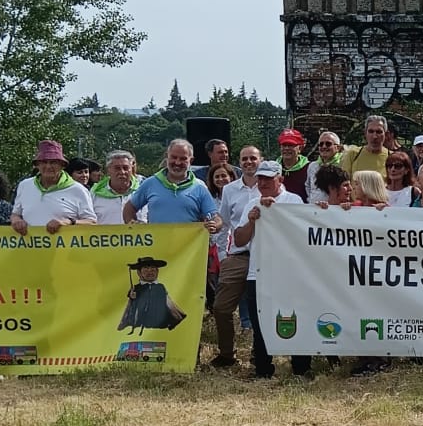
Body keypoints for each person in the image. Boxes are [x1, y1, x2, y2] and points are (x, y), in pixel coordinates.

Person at [232, 161, 309, 381]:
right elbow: (239, 240)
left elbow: (302, 234)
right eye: (260, 178)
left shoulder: (293, 200)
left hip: (289, 273)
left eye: (268, 178)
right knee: (260, 322)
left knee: (296, 318)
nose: (263, 183)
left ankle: (301, 367)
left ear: (280, 179)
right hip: (259, 272)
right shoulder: (251, 203)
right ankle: (263, 369)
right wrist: (251, 221)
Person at [208, 147, 264, 369]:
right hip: (238, 254)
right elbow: (223, 220)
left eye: (253, 158)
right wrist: (216, 230)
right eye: (245, 159)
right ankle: (226, 354)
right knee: (221, 308)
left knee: (262, 308)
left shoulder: (271, 186)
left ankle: (258, 354)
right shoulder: (230, 189)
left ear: (261, 160)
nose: (249, 162)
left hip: (265, 256)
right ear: (239, 162)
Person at [126, 140, 223, 230]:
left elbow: (215, 216)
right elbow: (129, 208)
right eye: (174, 157)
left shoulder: (200, 187)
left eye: (183, 159)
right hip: (157, 246)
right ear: (167, 156)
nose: (177, 162)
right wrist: (135, 227)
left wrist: (215, 224)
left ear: (191, 160)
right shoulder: (150, 183)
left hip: (188, 247)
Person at [10, 141, 95, 234]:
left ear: (62, 165)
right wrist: (16, 221)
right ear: (37, 165)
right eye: (44, 162)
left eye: (53, 162)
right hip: (29, 247)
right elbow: (15, 214)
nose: (48, 166)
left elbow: (92, 222)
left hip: (67, 248)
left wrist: (69, 222)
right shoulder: (24, 185)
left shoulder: (79, 190)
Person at [119, 256, 186, 332]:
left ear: (157, 271)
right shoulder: (136, 288)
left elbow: (169, 303)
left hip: (160, 327)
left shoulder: (160, 287)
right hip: (140, 327)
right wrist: (132, 296)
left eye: (153, 269)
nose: (150, 272)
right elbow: (129, 306)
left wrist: (177, 316)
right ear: (139, 273)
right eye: (146, 269)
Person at [89, 150, 141, 225]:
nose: (122, 172)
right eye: (117, 168)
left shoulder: (142, 191)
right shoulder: (94, 193)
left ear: (131, 169)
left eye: (125, 168)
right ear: (108, 170)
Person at [340, 115, 394, 181]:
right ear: (365, 133)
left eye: (379, 132)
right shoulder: (353, 154)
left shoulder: (392, 157)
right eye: (371, 131)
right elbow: (343, 182)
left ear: (385, 134)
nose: (375, 136)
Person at [306, 131, 344, 204]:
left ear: (338, 147)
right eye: (321, 144)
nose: (324, 146)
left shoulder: (343, 164)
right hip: (314, 208)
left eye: (328, 144)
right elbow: (308, 187)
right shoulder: (312, 166)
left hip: (335, 209)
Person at [276, 129, 313, 203]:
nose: (286, 148)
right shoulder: (273, 168)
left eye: (291, 145)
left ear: (300, 148)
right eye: (284, 145)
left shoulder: (309, 168)